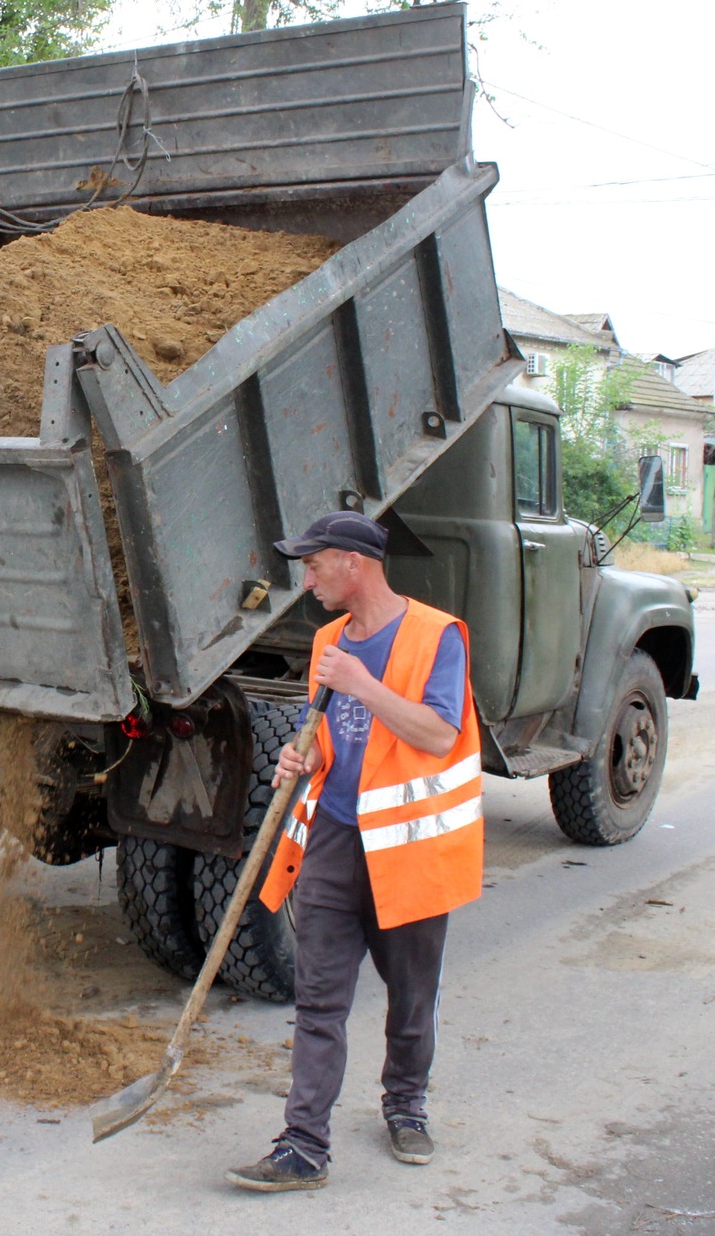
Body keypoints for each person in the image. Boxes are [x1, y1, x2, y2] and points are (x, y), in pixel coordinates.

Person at [226, 510, 483, 1194]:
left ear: (353, 563)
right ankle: (303, 1145)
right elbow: (329, 733)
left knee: (411, 993)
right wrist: (300, 755)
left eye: (312, 565)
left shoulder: (437, 635)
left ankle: (405, 1100)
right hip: (336, 839)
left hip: (408, 847)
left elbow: (435, 732)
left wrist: (363, 683)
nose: (304, 579)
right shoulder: (329, 641)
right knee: (318, 1000)